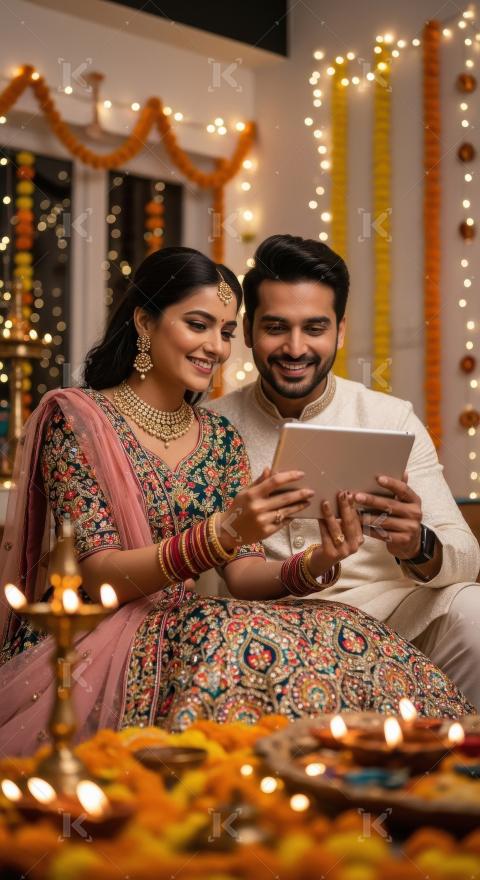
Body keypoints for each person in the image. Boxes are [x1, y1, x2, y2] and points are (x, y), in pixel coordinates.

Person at [0, 247, 472, 757]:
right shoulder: (78, 420)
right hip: (98, 630)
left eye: (223, 332)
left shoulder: (219, 436)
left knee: (341, 624)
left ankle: (408, 764)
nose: (215, 348)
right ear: (144, 320)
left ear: (339, 330)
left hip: (196, 620)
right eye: (199, 325)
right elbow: (98, 577)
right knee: (239, 632)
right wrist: (224, 533)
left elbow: (243, 574)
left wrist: (322, 560)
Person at [209, 234, 480, 709]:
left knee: (473, 613)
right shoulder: (213, 426)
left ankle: (457, 773)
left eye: (315, 328)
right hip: (269, 626)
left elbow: (467, 558)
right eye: (277, 328)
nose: (296, 348)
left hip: (393, 616)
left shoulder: (390, 417)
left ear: (340, 330)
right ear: (249, 330)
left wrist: (418, 544)